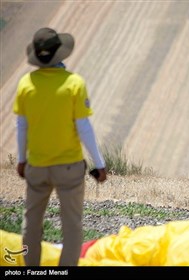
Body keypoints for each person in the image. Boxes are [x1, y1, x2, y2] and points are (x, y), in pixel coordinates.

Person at [13, 27, 107, 266]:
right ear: (60, 54)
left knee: (31, 224)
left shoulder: (26, 84)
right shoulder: (74, 84)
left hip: (37, 166)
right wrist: (99, 164)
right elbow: (84, 128)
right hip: (68, 168)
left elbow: (21, 126)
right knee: (72, 225)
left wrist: (22, 160)